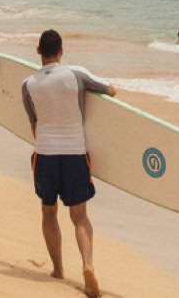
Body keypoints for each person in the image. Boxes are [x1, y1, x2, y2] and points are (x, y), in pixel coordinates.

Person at [21, 28, 110, 298]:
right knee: (79, 216)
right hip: (74, 153)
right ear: (61, 52)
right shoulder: (76, 76)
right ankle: (88, 265)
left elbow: (34, 126)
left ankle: (59, 269)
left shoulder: (27, 85)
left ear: (38, 51)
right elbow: (110, 91)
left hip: (46, 153)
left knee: (49, 212)